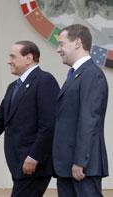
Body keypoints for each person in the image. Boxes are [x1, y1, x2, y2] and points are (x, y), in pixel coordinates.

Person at [0, 41, 59, 197]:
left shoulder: (44, 80)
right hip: (18, 162)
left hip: (34, 164)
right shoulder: (13, 87)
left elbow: (49, 124)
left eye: (13, 56)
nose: (9, 61)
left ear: (28, 58)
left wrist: (34, 156)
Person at [53, 24, 109, 197]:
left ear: (77, 43)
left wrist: (80, 161)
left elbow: (88, 120)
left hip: (82, 167)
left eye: (61, 44)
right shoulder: (76, 74)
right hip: (68, 166)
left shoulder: (91, 74)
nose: (58, 50)